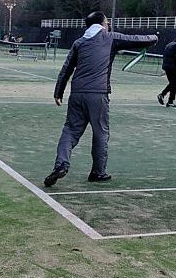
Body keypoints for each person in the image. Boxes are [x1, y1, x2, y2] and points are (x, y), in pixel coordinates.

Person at [44, 11, 157, 187]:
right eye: (107, 22)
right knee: (101, 133)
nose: (108, 25)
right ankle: (98, 172)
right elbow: (137, 39)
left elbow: (66, 69)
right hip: (98, 94)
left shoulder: (79, 42)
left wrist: (58, 92)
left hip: (77, 94)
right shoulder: (110, 37)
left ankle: (61, 164)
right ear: (103, 24)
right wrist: (154, 38)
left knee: (70, 131)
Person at [157, 33, 176, 108]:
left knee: (172, 83)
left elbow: (166, 56)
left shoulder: (169, 44)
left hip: (167, 67)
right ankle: (166, 98)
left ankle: (165, 97)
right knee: (174, 84)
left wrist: (165, 68)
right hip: (173, 68)